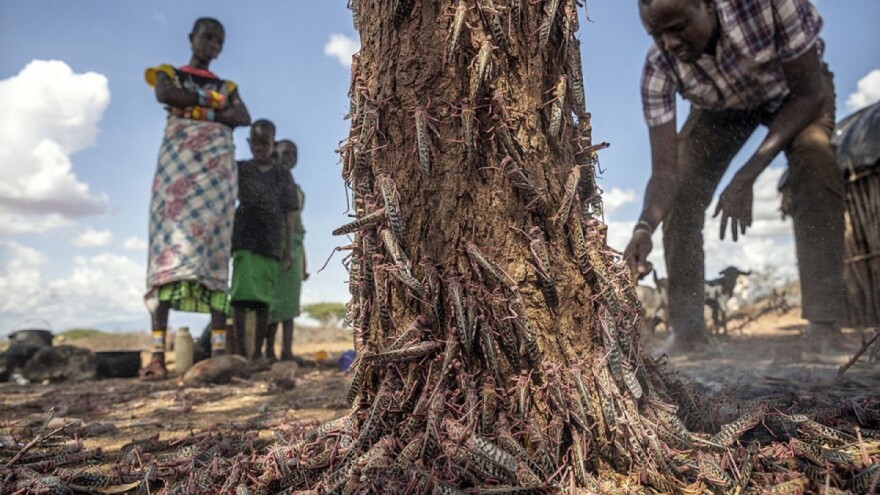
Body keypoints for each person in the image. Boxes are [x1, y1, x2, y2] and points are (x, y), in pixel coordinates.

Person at [623, 0, 848, 359]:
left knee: (815, 164)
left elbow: (810, 95)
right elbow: (665, 173)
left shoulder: (768, 5)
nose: (670, 43)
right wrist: (643, 228)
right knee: (682, 194)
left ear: (708, 6)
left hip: (796, 92)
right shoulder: (658, 68)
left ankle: (825, 326)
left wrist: (748, 173)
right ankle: (689, 334)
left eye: (678, 27)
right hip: (722, 110)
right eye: (657, 34)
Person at [143, 17, 251, 380]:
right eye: (208, 38)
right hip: (177, 172)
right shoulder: (168, 73)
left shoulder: (229, 84)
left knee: (215, 250)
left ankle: (218, 354)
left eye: (219, 41)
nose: (214, 45)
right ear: (192, 38)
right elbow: (166, 95)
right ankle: (158, 355)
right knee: (166, 251)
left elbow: (243, 116)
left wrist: (192, 106)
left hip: (216, 178)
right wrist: (215, 109)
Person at [230, 120, 299, 360]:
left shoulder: (282, 175)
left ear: (273, 144)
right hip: (243, 239)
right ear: (249, 142)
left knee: (263, 301)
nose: (260, 147)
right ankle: (241, 355)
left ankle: (258, 355)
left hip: (271, 242)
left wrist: (288, 250)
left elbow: (289, 216)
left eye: (265, 143)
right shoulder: (239, 169)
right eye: (256, 142)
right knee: (239, 298)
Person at [263, 139, 308, 362]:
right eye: (285, 152)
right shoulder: (271, 182)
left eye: (294, 153)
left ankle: (287, 351)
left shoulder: (298, 189)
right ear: (274, 153)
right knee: (272, 302)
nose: (290, 156)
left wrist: (301, 259)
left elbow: (299, 227)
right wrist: (285, 249)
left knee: (290, 302)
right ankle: (269, 351)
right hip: (276, 246)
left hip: (295, 247)